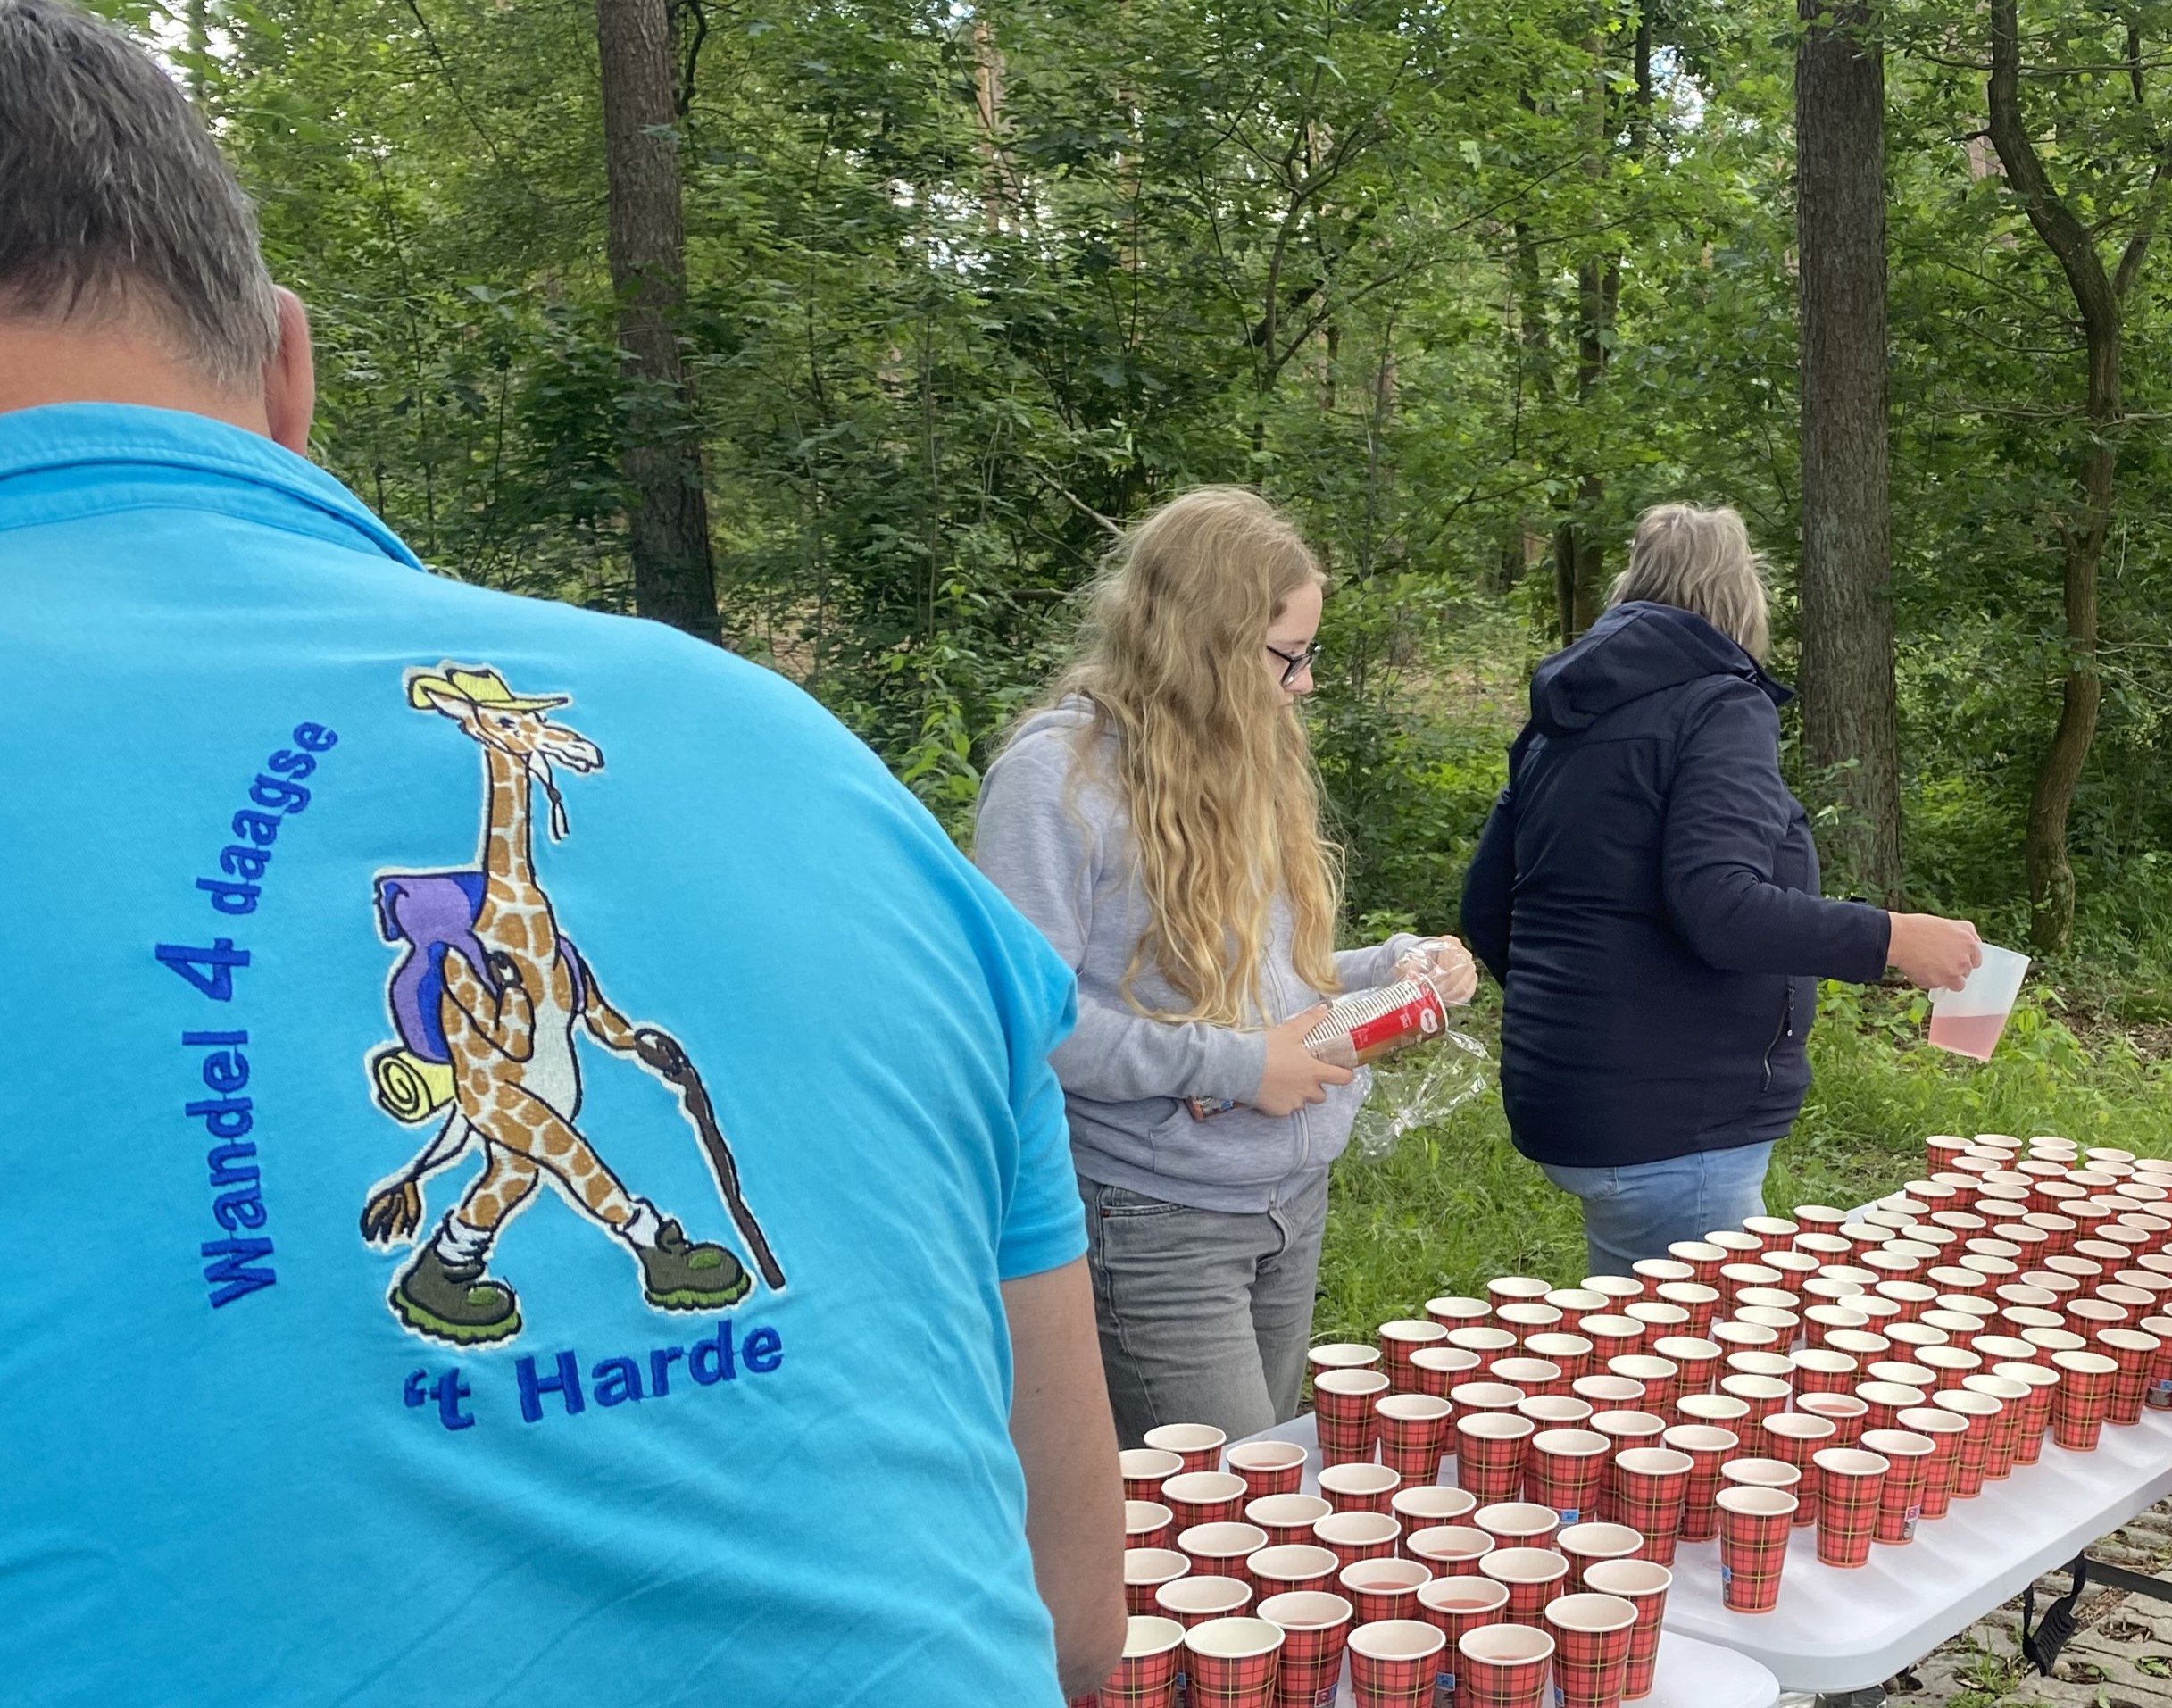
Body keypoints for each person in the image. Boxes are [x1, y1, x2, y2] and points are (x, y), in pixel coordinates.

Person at [0, 3, 1119, 1698]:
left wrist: (611, 1023)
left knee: (528, 1154)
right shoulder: (810, 761)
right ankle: (562, 1256)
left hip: (528, 1054)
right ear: (290, 376)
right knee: (528, 1153)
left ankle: (516, 1260)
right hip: (501, 1069)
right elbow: (1074, 1618)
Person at [971, 487, 1477, 1444]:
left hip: (1290, 1204)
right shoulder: (1054, 781)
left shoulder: (1241, 752)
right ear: (1201, 641)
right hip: (1155, 1217)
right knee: (1242, 1510)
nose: (1304, 684)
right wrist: (1239, 1068)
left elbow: (1264, 982)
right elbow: (1023, 1017)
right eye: (1286, 656)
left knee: (1260, 1486)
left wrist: (1398, 963)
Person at [1460, 504, 1982, 1275]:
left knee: (1634, 1339)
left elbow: (1486, 908)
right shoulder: (1719, 704)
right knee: (1702, 1369)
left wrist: (1583, 1012)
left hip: (1567, 1095)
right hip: (1678, 1120)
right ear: (1743, 598)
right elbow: (1719, 905)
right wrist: (1893, 938)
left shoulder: (1557, 722)